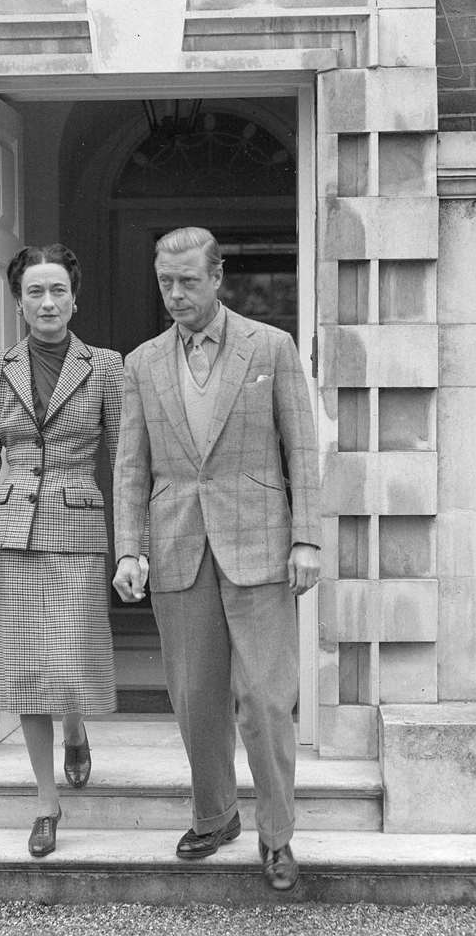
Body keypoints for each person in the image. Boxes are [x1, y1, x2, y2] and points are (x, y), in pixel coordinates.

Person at [112, 226, 320, 892]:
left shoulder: (271, 347)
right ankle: (215, 815)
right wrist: (128, 549)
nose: (175, 295)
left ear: (218, 277)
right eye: (165, 283)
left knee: (264, 699)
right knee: (195, 697)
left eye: (188, 282)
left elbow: (303, 452)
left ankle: (279, 835)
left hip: (259, 545)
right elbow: (129, 469)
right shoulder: (141, 362)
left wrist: (307, 538)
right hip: (177, 546)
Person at [0, 243, 122, 858]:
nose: (47, 302)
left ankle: (75, 726)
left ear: (75, 298)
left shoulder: (105, 366)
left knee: (70, 655)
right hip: (13, 527)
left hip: (78, 527)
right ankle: (46, 801)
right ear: (19, 301)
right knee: (27, 668)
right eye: (34, 292)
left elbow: (123, 457)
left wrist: (132, 542)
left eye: (57, 291)